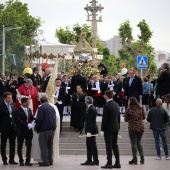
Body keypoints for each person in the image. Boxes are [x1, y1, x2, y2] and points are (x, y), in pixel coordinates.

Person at [100, 90, 121, 169]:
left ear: (106, 96)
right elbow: (118, 118)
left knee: (108, 146)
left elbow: (104, 119)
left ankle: (109, 162)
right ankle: (117, 162)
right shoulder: (116, 104)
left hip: (108, 128)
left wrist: (102, 129)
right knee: (115, 145)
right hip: (115, 127)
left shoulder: (107, 106)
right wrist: (118, 126)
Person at [34, 96, 57, 166]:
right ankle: (50, 160)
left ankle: (45, 161)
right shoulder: (52, 108)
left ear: (40, 102)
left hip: (44, 129)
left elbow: (40, 119)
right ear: (47, 101)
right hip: (52, 129)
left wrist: (36, 127)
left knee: (43, 146)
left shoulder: (41, 108)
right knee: (50, 146)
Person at [124, 97, 145, 165]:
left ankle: (135, 159)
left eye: (129, 101)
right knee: (139, 142)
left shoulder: (129, 109)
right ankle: (142, 158)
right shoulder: (141, 108)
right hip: (141, 127)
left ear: (131, 102)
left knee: (134, 143)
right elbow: (144, 117)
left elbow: (126, 119)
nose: (128, 102)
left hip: (132, 128)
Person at [15, 97, 35, 166]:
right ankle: (21, 160)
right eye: (27, 102)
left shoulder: (29, 110)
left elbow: (32, 118)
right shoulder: (17, 111)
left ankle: (28, 161)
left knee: (29, 146)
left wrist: (37, 120)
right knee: (20, 146)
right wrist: (27, 124)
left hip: (29, 132)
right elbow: (19, 121)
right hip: (21, 131)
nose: (29, 103)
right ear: (23, 103)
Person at [0, 92, 17, 165]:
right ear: (5, 98)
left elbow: (14, 116)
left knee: (12, 144)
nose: (10, 99)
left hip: (12, 127)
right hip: (4, 127)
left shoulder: (13, 105)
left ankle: (11, 159)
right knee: (3, 144)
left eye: (11, 98)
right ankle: (4, 159)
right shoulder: (1, 106)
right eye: (9, 98)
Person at [81, 96, 99, 166]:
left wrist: (89, 131)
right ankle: (89, 160)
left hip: (91, 130)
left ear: (87, 102)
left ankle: (95, 160)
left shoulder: (91, 109)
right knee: (89, 145)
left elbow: (90, 121)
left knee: (92, 145)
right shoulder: (91, 108)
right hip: (90, 129)